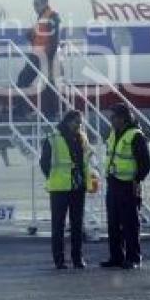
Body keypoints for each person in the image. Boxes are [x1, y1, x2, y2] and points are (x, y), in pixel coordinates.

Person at [100, 103, 150, 270]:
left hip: (128, 184)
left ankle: (134, 257)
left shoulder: (136, 136)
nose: (111, 120)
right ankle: (116, 256)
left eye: (113, 117)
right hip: (113, 182)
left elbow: (145, 163)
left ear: (122, 118)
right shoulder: (115, 134)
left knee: (130, 224)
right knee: (113, 223)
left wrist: (137, 179)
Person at [40, 110, 93, 269]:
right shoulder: (53, 139)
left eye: (81, 123)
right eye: (77, 122)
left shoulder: (82, 138)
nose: (79, 126)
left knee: (77, 224)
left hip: (78, 187)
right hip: (60, 188)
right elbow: (44, 163)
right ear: (68, 121)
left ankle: (77, 258)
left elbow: (86, 161)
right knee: (58, 225)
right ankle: (59, 260)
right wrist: (54, 178)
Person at [16, 0, 61, 119]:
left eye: (36, 4)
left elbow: (54, 38)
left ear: (45, 3)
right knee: (25, 80)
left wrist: (49, 58)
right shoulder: (41, 17)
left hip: (45, 55)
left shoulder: (52, 16)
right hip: (38, 55)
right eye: (33, 4)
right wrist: (30, 35)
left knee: (30, 81)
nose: (34, 7)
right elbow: (40, 36)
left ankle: (48, 113)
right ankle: (25, 110)